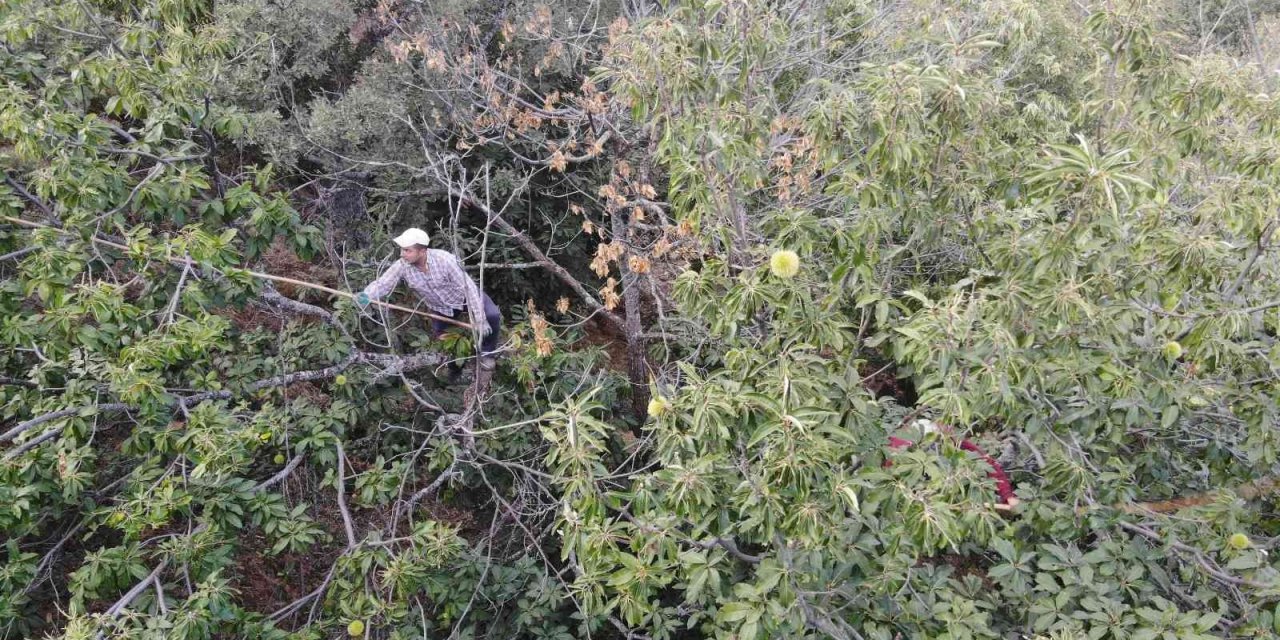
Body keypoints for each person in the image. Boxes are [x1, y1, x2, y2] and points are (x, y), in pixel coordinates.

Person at [355, 228, 502, 372]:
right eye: (402, 250)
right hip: (440, 309)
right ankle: (455, 370)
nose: (402, 254)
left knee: (492, 315)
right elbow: (383, 283)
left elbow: (468, 288)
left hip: (463, 298)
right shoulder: (402, 265)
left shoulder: (445, 260)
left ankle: (487, 353)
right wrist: (367, 295)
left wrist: (480, 319)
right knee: (445, 343)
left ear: (422, 251)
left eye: (407, 250)